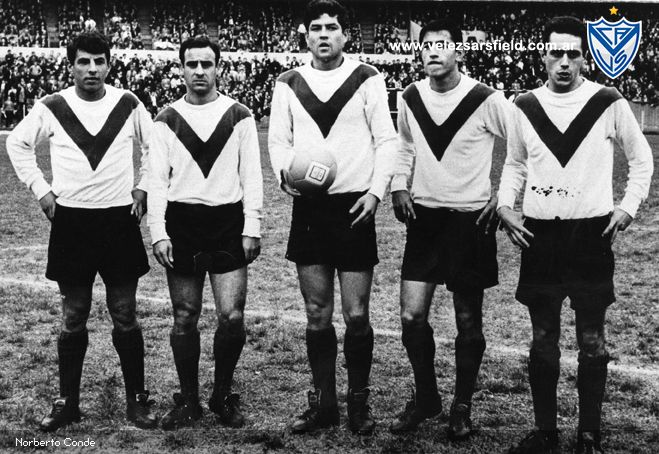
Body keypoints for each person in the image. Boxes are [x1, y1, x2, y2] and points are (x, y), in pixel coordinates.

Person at [498, 17, 653, 454]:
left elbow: (641, 159)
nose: (564, 62)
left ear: (585, 57)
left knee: (591, 338)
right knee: (543, 336)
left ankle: (589, 434)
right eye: (556, 53)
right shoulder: (524, 104)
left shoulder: (607, 101)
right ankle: (546, 432)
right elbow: (514, 163)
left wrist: (627, 206)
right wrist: (505, 205)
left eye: (573, 54)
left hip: (589, 236)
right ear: (543, 56)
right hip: (540, 235)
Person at [6, 31, 156, 431]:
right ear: (70, 65)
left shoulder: (128, 103)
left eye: (99, 61)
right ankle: (68, 402)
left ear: (109, 64)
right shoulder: (52, 106)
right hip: (72, 222)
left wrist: (143, 186)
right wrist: (42, 191)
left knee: (124, 312)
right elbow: (18, 144)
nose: (92, 69)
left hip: (118, 220)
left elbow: (154, 146)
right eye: (83, 62)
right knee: (74, 314)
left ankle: (137, 400)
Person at [268, 0, 397, 436]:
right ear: (306, 35)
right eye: (317, 28)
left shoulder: (367, 78)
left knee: (356, 315)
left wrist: (375, 193)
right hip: (311, 208)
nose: (324, 34)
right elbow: (278, 141)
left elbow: (386, 140)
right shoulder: (288, 82)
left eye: (332, 27)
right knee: (316, 313)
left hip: (355, 207)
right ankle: (324, 403)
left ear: (345, 34)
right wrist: (284, 172)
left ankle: (358, 403)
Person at [388, 20, 510, 439]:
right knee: (411, 316)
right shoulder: (410, 95)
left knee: (467, 320)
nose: (433, 52)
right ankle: (426, 397)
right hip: (424, 220)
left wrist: (505, 196)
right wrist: (399, 184)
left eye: (442, 45)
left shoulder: (486, 98)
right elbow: (404, 144)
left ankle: (462, 406)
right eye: (427, 46)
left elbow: (524, 145)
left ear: (458, 51)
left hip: (470, 220)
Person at [148, 37, 263, 430]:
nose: (199, 71)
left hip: (228, 223)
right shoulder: (166, 119)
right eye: (192, 64)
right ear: (181, 68)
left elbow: (252, 175)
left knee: (232, 316)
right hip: (182, 223)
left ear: (218, 68)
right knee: (185, 316)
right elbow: (156, 180)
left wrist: (252, 225)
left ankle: (221, 395)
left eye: (207, 64)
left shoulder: (239, 115)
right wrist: (158, 232)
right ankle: (189, 401)